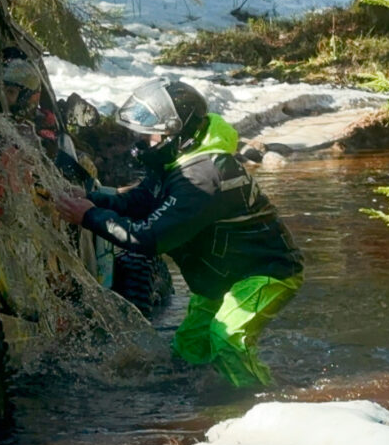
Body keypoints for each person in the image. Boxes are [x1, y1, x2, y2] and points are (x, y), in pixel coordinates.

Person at [55, 77, 304, 387]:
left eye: (150, 137)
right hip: (221, 276)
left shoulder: (202, 179)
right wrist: (93, 198)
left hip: (265, 273)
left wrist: (90, 217)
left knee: (226, 340)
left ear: (179, 135)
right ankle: (198, 404)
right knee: (189, 350)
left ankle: (259, 405)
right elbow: (141, 198)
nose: (140, 143)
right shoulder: (179, 162)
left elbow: (148, 238)